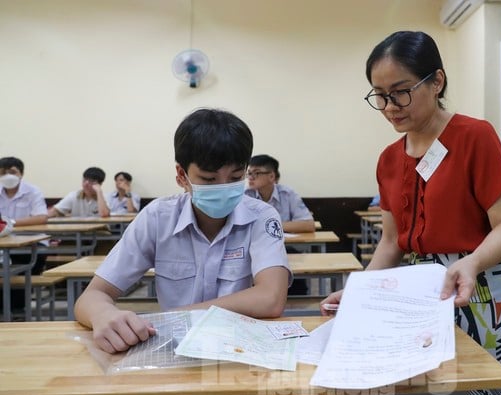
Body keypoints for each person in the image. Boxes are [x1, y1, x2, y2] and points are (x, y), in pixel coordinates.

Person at [320, 31, 501, 395]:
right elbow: (391, 243)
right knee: (430, 392)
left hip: (480, 285)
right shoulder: (389, 158)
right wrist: (360, 293)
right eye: (380, 95)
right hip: (419, 292)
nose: (390, 106)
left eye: (401, 91)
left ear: (436, 81)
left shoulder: (474, 136)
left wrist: (472, 262)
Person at [74, 108, 291, 354]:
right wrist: (103, 314)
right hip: (177, 350)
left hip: (244, 349)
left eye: (235, 177)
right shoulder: (158, 218)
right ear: (181, 175)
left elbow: (271, 298)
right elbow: (91, 297)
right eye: (209, 179)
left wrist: (174, 316)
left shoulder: (261, 216)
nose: (223, 187)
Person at [245, 154, 314, 295]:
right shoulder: (245, 195)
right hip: (254, 250)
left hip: (287, 249)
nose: (251, 177)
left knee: (293, 275)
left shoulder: (288, 194)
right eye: (249, 173)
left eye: (256, 173)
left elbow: (308, 225)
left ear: (271, 176)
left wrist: (268, 226)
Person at [0, 156, 48, 316]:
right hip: (4, 244)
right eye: (3, 172)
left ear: (21, 173)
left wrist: (11, 223)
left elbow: (41, 217)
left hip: (32, 243)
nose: (7, 176)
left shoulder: (32, 191)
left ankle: (17, 312)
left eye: (12, 172)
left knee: (19, 270)